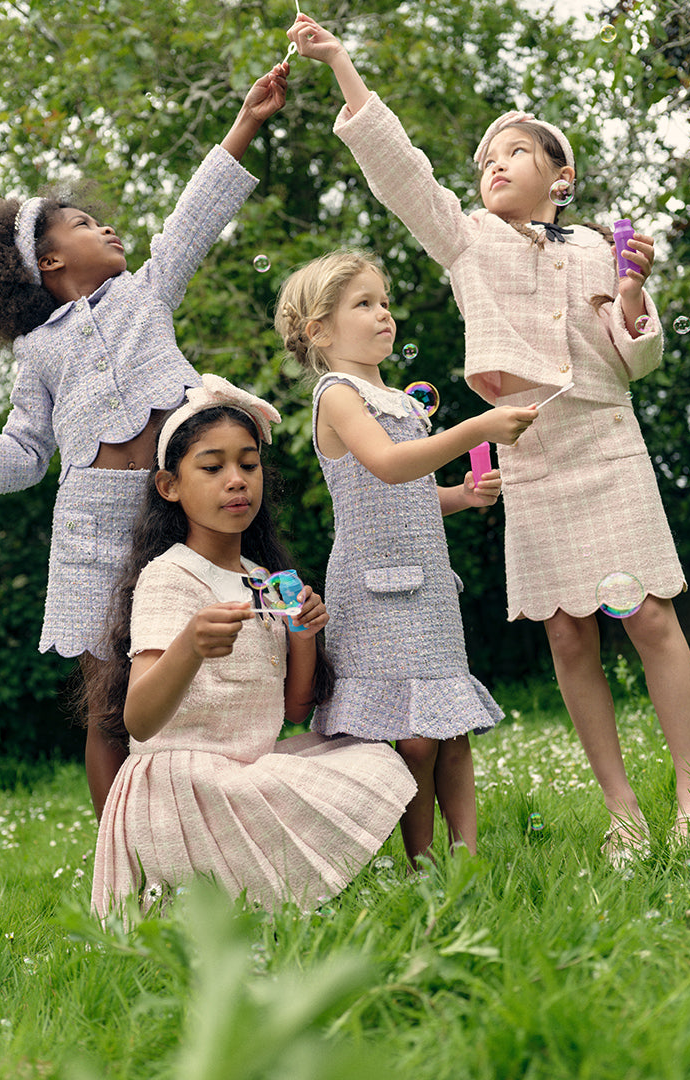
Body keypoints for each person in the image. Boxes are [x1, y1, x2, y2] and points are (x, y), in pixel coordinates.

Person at [286, 14, 690, 859]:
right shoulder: (467, 242)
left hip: (605, 440)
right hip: (533, 455)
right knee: (566, 631)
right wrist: (340, 65)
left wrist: (634, 296)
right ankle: (623, 811)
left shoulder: (597, 247)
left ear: (561, 174)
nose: (492, 166)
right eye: (483, 161)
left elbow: (637, 361)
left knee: (653, 617)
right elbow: (400, 172)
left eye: (511, 153)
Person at [0, 63, 289, 820]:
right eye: (84, 225)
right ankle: (118, 863)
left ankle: (207, 818)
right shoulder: (37, 352)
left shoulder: (145, 293)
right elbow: (25, 455)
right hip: (88, 531)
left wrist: (247, 120)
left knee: (185, 676)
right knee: (107, 706)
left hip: (171, 516)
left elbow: (192, 216)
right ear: (48, 263)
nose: (106, 227)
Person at [89, 375, 417, 915]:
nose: (236, 480)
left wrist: (304, 637)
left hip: (244, 772)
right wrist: (189, 647)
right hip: (184, 788)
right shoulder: (170, 577)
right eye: (212, 467)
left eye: (248, 463)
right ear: (169, 486)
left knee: (373, 760)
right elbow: (139, 721)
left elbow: (292, 710)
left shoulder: (261, 577)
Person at [274, 250, 537, 864]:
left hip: (429, 589)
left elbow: (412, 492)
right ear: (319, 330)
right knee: (414, 741)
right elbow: (389, 468)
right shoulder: (337, 395)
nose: (383, 314)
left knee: (449, 730)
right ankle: (422, 865)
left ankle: (465, 861)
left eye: (385, 301)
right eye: (363, 304)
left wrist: (461, 497)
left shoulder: (403, 402)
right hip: (372, 593)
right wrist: (479, 429)